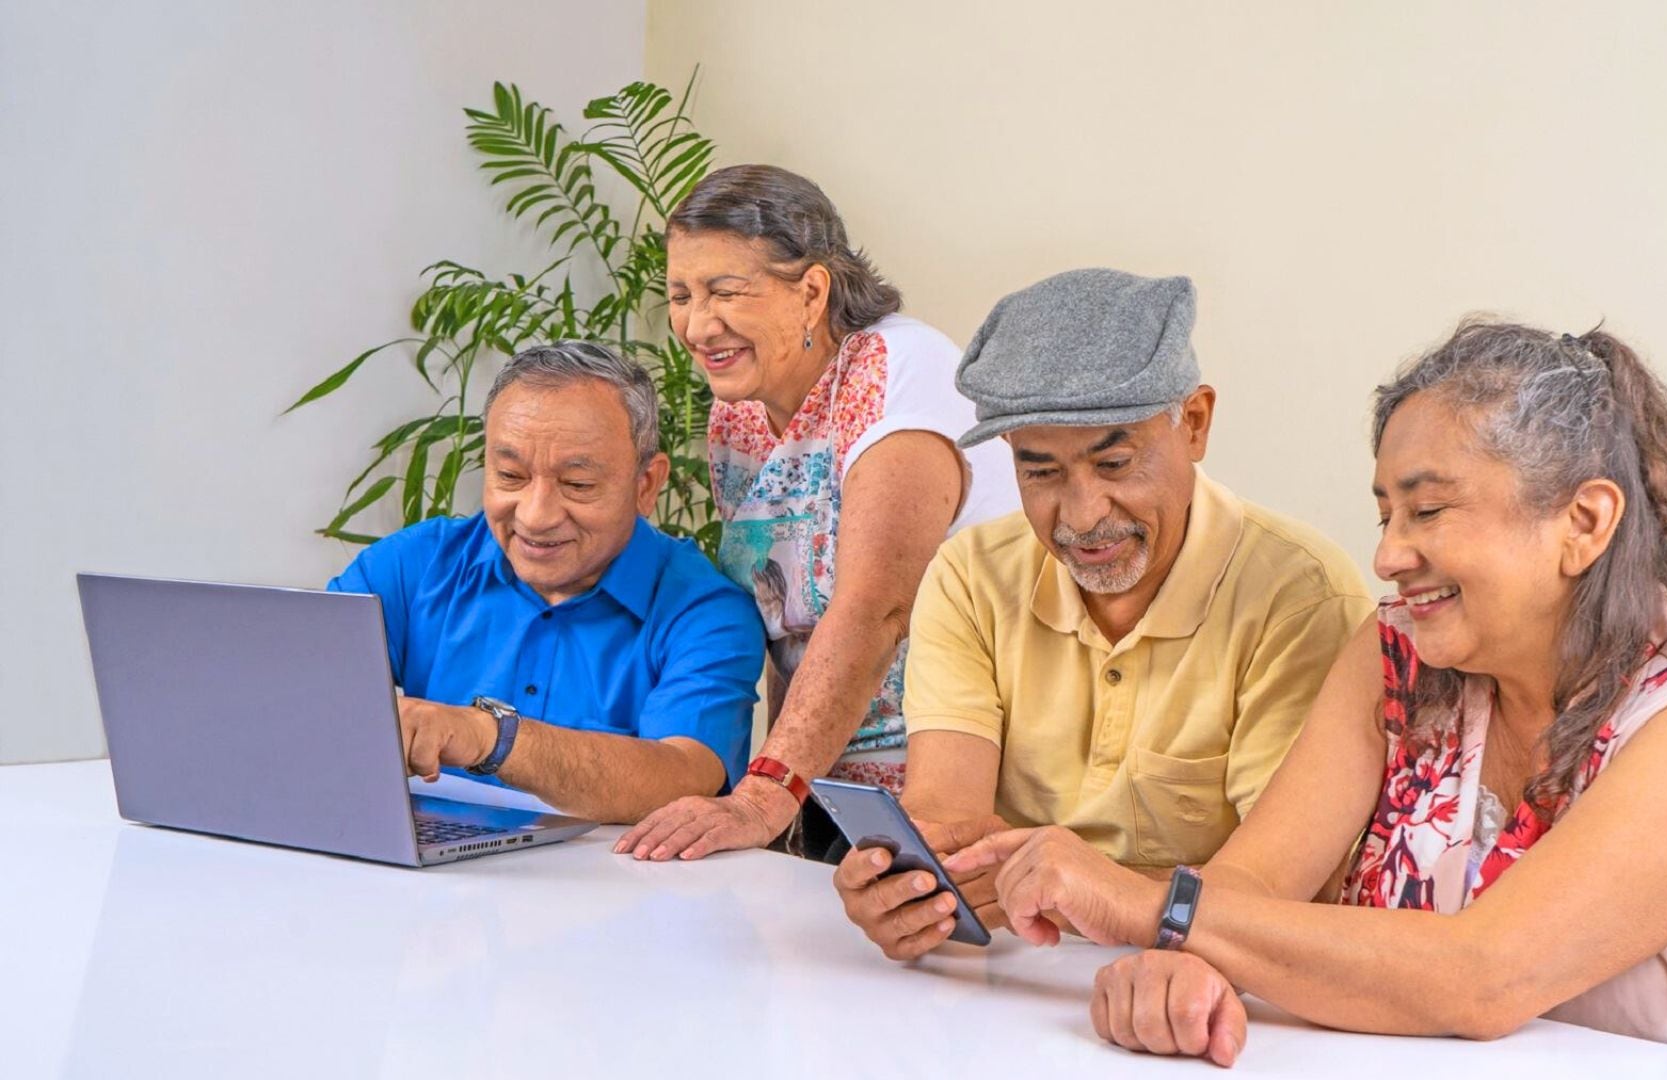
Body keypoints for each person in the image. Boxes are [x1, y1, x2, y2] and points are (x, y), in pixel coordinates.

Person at [946, 321, 1667, 1074]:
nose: (1386, 555)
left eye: (1428, 511)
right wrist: (1186, 967)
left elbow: (1484, 977)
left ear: (1583, 522)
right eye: (1386, 513)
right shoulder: (1396, 657)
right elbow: (1256, 881)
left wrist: (1154, 910)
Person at [833, 268, 1373, 960]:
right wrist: (909, 889)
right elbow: (947, 823)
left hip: (1209, 989)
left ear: (1195, 423)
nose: (1083, 516)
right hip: (1016, 976)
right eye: (1042, 473)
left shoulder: (1301, 596)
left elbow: (1290, 889)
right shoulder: (971, 575)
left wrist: (1093, 892)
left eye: (1114, 463)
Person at [613, 165, 1019, 862]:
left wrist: (762, 798)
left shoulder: (897, 369)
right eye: (680, 295)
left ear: (811, 292)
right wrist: (785, 813)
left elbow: (874, 610)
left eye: (725, 292)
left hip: (958, 794)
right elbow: (786, 626)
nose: (696, 325)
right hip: (829, 789)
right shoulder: (737, 415)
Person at [327, 342, 764, 823]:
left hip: (611, 871)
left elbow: (685, 775)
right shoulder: (414, 565)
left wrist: (489, 737)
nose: (535, 517)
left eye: (577, 485)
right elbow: (296, 687)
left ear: (646, 485)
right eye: (510, 476)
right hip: (423, 861)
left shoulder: (705, 611)